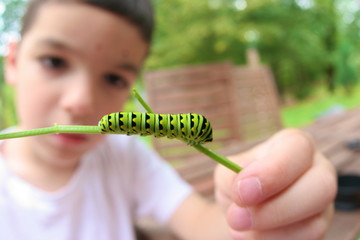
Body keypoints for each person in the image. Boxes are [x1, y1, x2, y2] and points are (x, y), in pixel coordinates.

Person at [0, 0, 336, 239]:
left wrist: (257, 222)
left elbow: (204, 224)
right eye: (54, 61)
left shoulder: (124, 154)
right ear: (12, 61)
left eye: (114, 79)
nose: (80, 102)